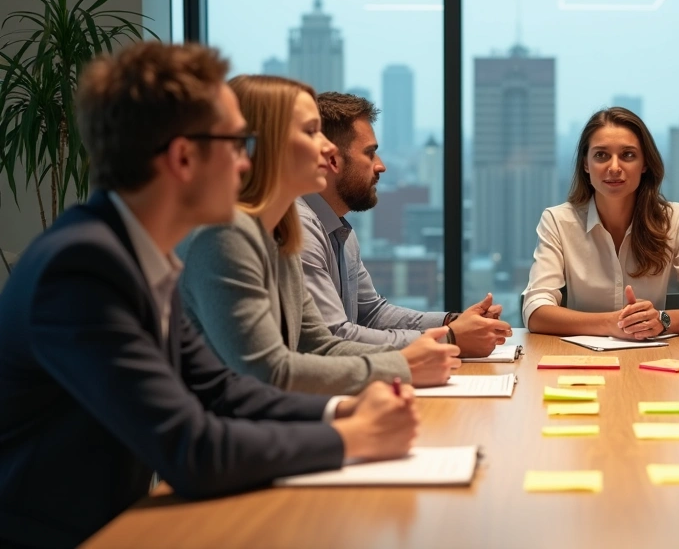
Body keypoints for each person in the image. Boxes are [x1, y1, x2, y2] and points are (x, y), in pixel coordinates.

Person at [0, 43, 419, 548]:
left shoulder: (137, 254)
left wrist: (341, 413)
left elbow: (222, 390)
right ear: (183, 158)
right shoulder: (83, 268)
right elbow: (190, 449)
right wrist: (349, 437)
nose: (246, 164)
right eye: (236, 143)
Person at [178, 76, 460, 393]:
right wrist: (405, 364)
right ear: (267, 144)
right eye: (311, 132)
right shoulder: (225, 236)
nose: (328, 148)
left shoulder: (282, 230)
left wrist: (417, 355)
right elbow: (269, 372)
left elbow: (320, 346)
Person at [297, 92, 510, 357]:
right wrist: (450, 338)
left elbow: (372, 313)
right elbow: (334, 337)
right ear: (332, 160)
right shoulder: (301, 230)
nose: (381, 166)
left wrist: (453, 322)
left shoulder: (339, 230)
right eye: (370, 153)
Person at [522, 106, 679, 339]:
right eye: (601, 155)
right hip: (581, 358)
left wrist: (662, 320)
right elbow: (536, 311)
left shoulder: (675, 219)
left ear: (645, 164)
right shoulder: (558, 221)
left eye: (628, 155)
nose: (614, 167)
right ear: (586, 164)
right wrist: (609, 323)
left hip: (651, 356)